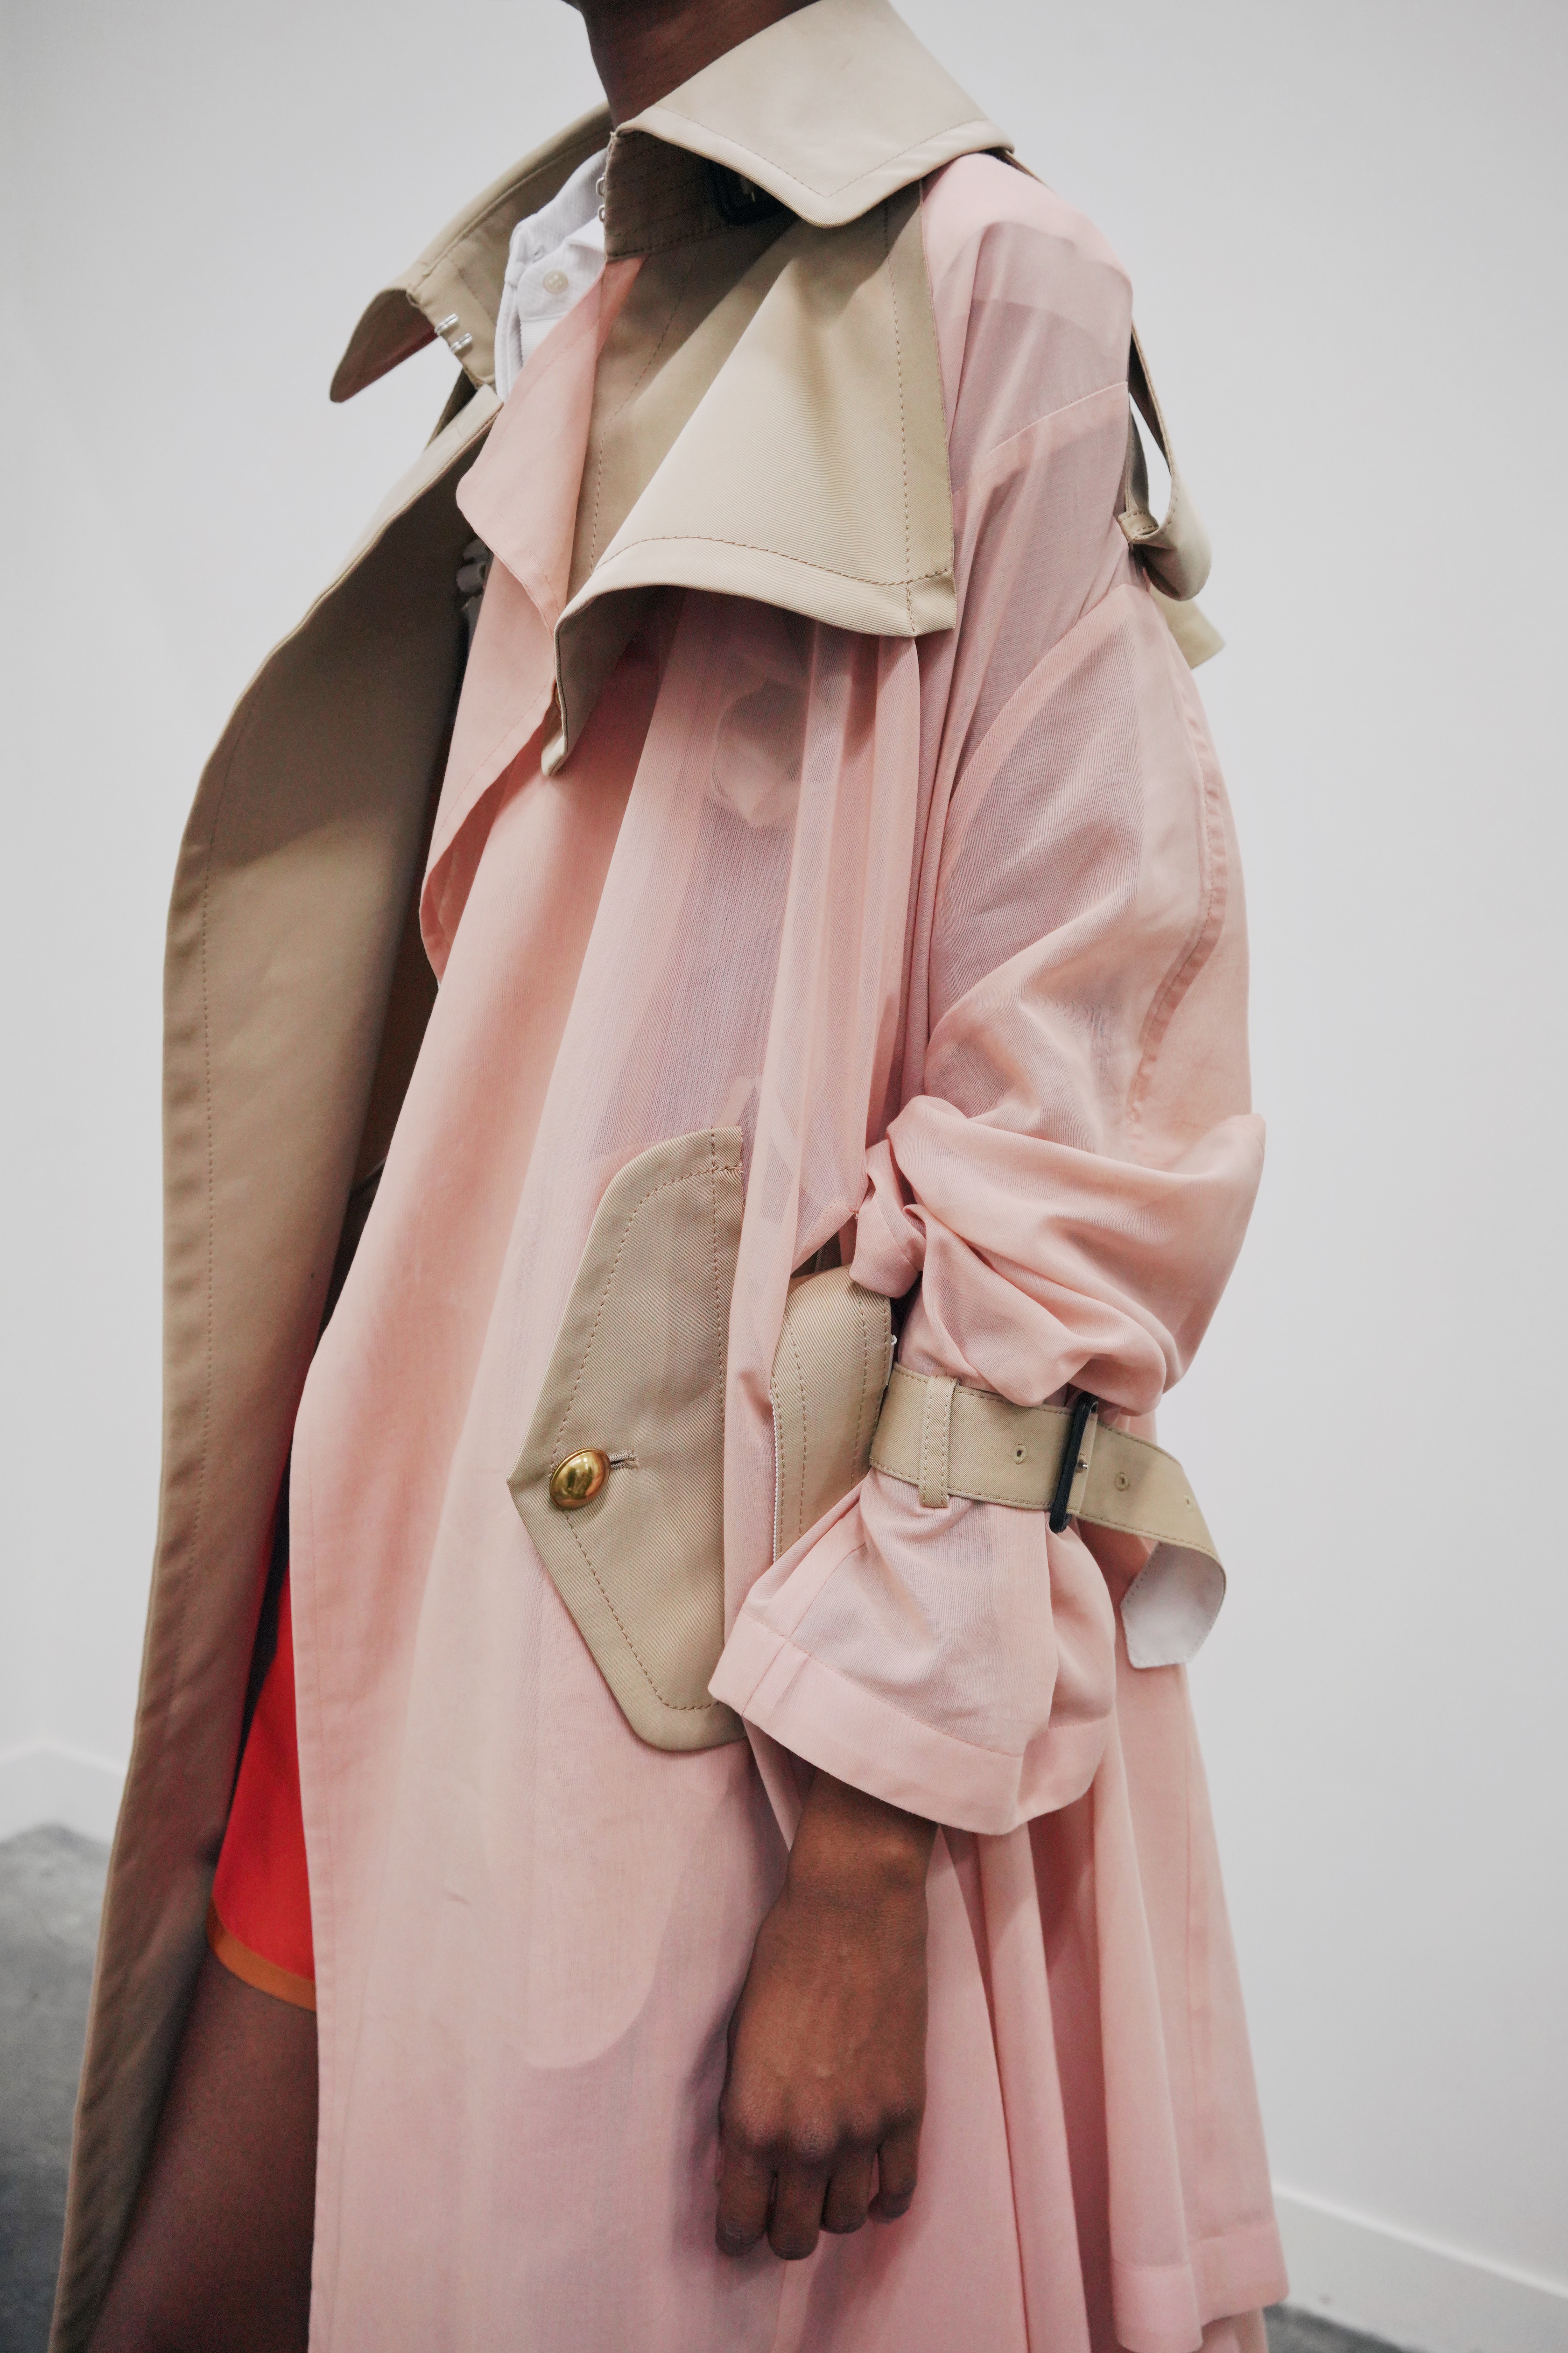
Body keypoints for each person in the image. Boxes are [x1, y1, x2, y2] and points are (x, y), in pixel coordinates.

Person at [58, 1, 1287, 2347]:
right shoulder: (572, 259)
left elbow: (1077, 1118)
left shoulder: (986, 278)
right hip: (399, 1530)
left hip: (693, 1641)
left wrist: (871, 1840)